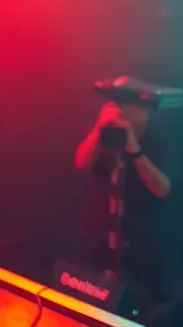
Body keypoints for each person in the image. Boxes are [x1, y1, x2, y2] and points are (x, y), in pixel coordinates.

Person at [73, 101, 174, 302]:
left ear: (147, 113)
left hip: (139, 240)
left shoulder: (160, 141)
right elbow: (81, 163)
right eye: (123, 106)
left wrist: (134, 149)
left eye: (134, 108)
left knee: (141, 302)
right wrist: (97, 129)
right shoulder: (105, 134)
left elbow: (162, 188)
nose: (126, 113)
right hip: (98, 235)